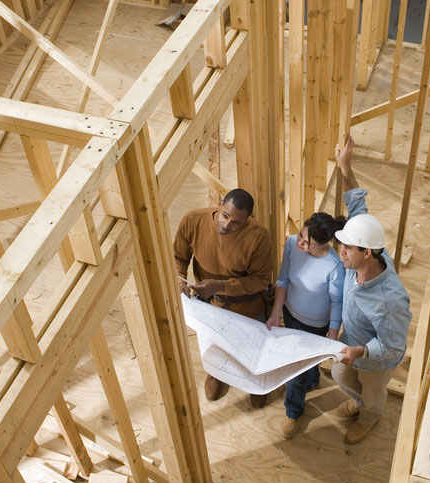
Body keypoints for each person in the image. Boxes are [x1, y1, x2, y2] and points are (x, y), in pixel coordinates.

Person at [331, 135, 411, 444]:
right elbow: (357, 204)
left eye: (348, 248)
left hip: (375, 359)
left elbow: (394, 348)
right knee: (340, 375)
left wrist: (361, 352)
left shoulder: (390, 301)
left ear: (367, 253)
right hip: (351, 343)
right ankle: (358, 402)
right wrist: (345, 166)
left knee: (374, 394)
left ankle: (369, 417)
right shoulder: (365, 253)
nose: (341, 252)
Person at [174, 188, 274, 409]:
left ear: (247, 221)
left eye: (236, 223)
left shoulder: (259, 236)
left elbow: (261, 280)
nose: (227, 225)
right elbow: (178, 257)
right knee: (213, 344)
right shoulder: (193, 220)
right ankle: (217, 374)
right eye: (225, 216)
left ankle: (254, 382)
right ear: (220, 204)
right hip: (208, 305)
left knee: (252, 350)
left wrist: (220, 285)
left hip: (246, 305)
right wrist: (181, 281)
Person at [266, 212, 346, 438]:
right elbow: (283, 278)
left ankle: (293, 412)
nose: (300, 242)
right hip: (290, 314)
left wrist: (332, 335)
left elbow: (337, 302)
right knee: (298, 369)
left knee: (299, 371)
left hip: (316, 325)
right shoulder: (292, 243)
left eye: (307, 243)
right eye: (301, 234)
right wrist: (275, 314)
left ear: (322, 244)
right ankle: (307, 386)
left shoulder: (334, 266)